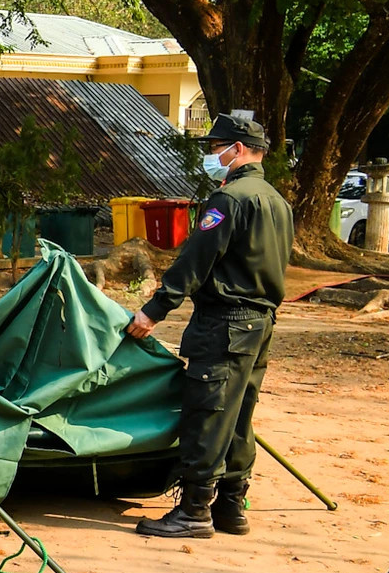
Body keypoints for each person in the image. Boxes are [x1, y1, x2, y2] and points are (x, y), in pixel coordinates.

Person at [125, 112, 292, 539]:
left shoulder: (230, 200)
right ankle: (232, 507)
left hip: (225, 323)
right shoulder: (276, 201)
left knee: (208, 412)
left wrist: (153, 311)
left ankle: (195, 511)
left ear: (237, 149)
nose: (213, 155)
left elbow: (195, 262)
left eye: (217, 147)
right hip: (261, 322)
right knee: (239, 415)